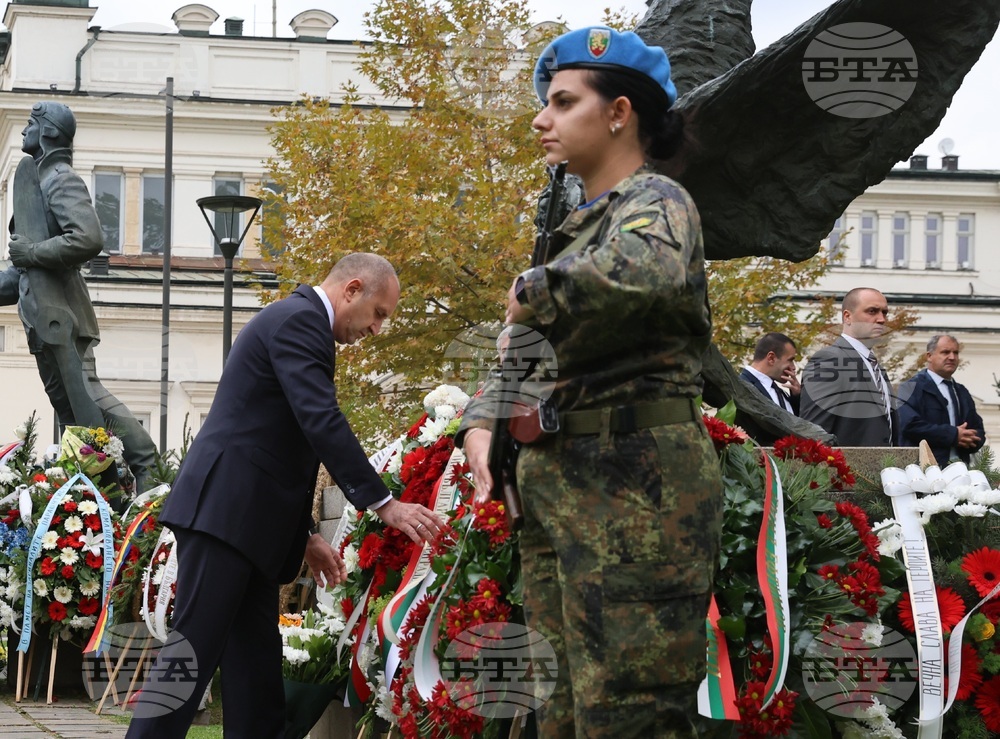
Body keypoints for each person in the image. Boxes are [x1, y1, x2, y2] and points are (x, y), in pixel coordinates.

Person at [459, 27, 722, 738]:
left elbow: (646, 272)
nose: (542, 119)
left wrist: (534, 285)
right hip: (563, 487)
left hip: (635, 492)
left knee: (630, 712)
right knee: (566, 711)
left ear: (618, 112)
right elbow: (524, 346)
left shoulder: (658, 202)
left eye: (563, 101)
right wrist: (484, 418)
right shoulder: (579, 226)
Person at [124, 253, 444, 739]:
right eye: (379, 313)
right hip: (225, 514)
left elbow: (282, 447)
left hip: (242, 521)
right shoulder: (299, 321)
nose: (377, 329)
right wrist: (385, 503)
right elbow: (320, 421)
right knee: (189, 657)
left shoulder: (300, 324)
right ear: (352, 290)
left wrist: (307, 536)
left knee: (255, 674)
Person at [0, 101, 156, 489]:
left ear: (49, 132)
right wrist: (27, 261)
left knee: (89, 397)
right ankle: (101, 489)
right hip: (42, 318)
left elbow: (87, 237)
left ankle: (148, 466)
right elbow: (22, 272)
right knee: (71, 410)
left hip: (64, 318)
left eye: (31, 124)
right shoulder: (37, 180)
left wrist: (32, 253)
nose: (23, 132)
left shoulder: (60, 178)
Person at [800, 287, 897, 446]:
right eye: (872, 311)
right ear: (848, 317)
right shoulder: (829, 361)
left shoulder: (875, 366)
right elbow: (814, 435)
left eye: (884, 313)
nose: (881, 319)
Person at [897, 334, 985, 466]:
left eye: (955, 353)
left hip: (960, 470)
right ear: (929, 356)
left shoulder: (961, 391)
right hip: (924, 470)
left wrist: (971, 439)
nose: (952, 357)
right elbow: (910, 426)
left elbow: (978, 429)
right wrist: (953, 435)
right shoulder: (911, 387)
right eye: (945, 352)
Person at [735, 332, 800, 444]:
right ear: (771, 358)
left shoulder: (783, 393)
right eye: (790, 360)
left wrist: (797, 398)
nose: (793, 368)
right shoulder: (739, 388)